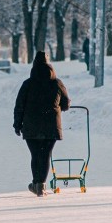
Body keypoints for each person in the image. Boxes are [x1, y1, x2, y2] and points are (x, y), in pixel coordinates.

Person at [14, 51, 70, 196]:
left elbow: (19, 105)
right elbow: (66, 104)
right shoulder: (57, 83)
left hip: (31, 126)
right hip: (51, 126)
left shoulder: (27, 84)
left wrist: (17, 124)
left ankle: (36, 183)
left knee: (35, 155)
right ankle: (41, 186)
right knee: (45, 155)